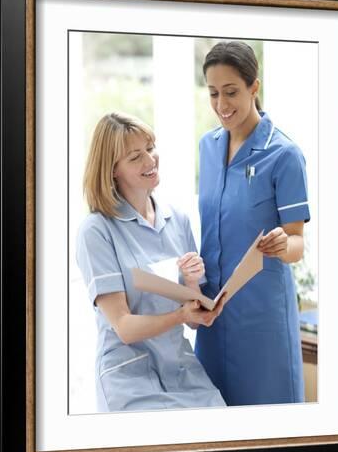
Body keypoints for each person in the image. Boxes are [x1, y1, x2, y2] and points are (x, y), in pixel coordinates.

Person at [76, 112, 226, 412]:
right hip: (128, 376)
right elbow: (124, 327)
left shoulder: (176, 219)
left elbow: (194, 318)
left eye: (150, 147)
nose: (150, 160)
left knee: (226, 435)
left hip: (181, 369)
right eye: (135, 156)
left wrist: (194, 286)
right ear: (112, 170)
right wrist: (181, 316)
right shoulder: (97, 230)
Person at [195, 41, 311, 406]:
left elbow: (297, 243)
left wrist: (282, 243)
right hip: (213, 316)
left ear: (254, 87)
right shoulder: (207, 147)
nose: (221, 105)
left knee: (270, 433)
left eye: (231, 92)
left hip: (263, 321)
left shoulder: (285, 155)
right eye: (213, 93)